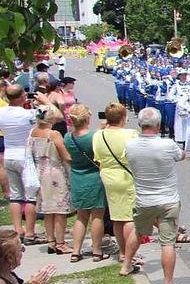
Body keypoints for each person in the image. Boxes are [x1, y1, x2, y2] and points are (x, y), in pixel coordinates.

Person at [126, 108, 187, 284]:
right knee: (167, 242)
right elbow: (181, 155)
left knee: (138, 231)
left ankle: (126, 264)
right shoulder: (167, 144)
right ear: (158, 125)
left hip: (144, 198)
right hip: (167, 199)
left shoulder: (131, 145)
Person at [92, 102, 141, 276]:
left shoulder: (99, 135)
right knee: (129, 218)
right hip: (126, 175)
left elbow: (97, 156)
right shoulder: (130, 134)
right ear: (123, 117)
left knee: (117, 216)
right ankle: (130, 255)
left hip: (108, 175)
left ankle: (122, 252)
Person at [64, 104, 109, 263]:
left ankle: (76, 251)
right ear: (87, 118)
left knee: (81, 216)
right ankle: (96, 250)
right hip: (94, 176)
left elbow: (68, 157)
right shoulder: (95, 136)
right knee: (97, 215)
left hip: (77, 176)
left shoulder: (68, 137)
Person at [27, 105, 72, 255]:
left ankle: (51, 240)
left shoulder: (32, 132)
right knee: (59, 208)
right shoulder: (54, 134)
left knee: (48, 209)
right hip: (55, 171)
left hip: (40, 171)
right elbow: (65, 156)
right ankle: (60, 242)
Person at [0, 84, 39, 244]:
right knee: (31, 196)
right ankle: (30, 232)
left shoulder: (2, 113)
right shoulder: (27, 114)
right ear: (23, 96)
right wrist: (43, 100)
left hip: (10, 154)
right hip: (25, 156)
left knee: (15, 195)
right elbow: (53, 115)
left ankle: (17, 229)